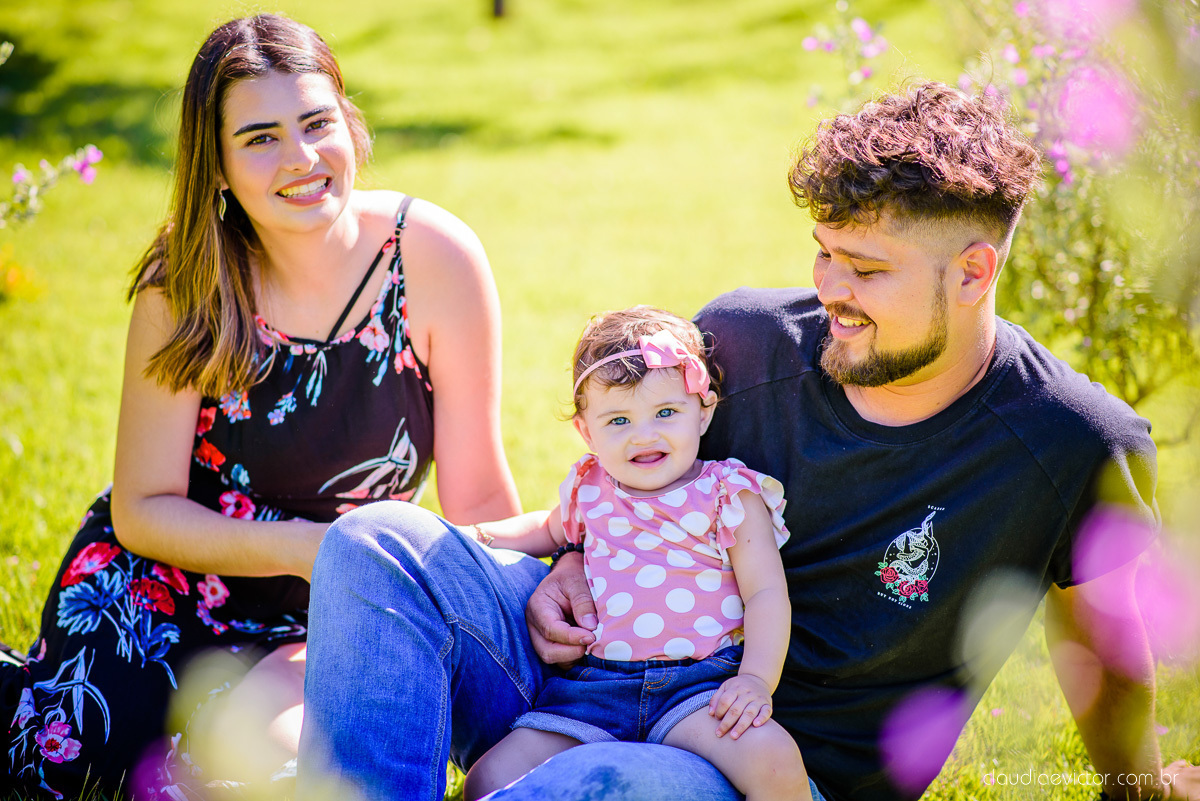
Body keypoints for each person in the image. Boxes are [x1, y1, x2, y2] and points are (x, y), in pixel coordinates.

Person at [298, 81, 1200, 801]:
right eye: (825, 252)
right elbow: (640, 482)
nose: (831, 289)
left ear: (973, 273)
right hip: (591, 675)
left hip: (761, 760)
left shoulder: (1070, 441)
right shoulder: (741, 341)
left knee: (590, 785)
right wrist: (570, 558)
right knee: (374, 542)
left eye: (867, 269)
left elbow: (1105, 655)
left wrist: (1141, 784)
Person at [0, 13, 519, 800]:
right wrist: (308, 546)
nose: (301, 158)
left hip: (344, 608)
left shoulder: (435, 259)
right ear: (215, 166)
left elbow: (476, 497)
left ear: (349, 124)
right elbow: (143, 508)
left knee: (262, 779)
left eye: (317, 123)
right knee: (64, 759)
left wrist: (522, 599)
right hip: (168, 583)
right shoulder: (186, 285)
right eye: (260, 138)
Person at [460, 307, 810, 801]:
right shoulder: (591, 488)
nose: (644, 434)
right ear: (587, 432)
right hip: (593, 690)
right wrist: (475, 536)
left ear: (704, 411)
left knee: (774, 762)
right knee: (489, 778)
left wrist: (755, 679)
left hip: (696, 689)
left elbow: (766, 594)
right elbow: (543, 528)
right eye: (619, 420)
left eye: (666, 413)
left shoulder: (727, 494)